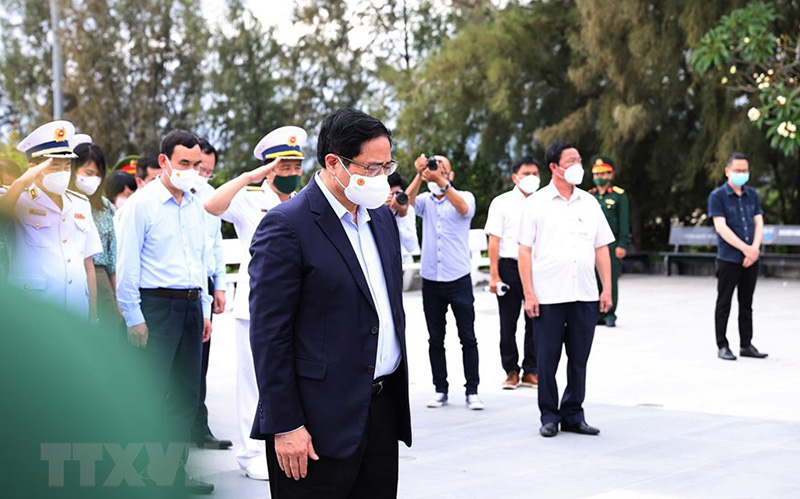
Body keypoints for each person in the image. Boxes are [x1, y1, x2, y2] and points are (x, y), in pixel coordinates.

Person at [249, 108, 411, 498]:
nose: (382, 178)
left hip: (380, 410)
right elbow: (270, 335)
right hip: (316, 422)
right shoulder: (287, 225)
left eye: (387, 166)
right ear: (334, 163)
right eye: (371, 168)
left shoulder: (381, 219)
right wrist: (285, 424)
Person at [204, 125, 307, 481]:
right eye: (283, 167)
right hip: (256, 308)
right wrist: (251, 176)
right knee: (253, 382)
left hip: (298, 306)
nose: (292, 173)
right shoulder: (249, 198)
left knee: (294, 379)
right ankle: (250, 453)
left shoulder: (303, 200)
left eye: (296, 167)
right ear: (269, 168)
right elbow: (212, 205)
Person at [114, 129, 214, 494]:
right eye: (183, 162)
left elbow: (199, 259)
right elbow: (127, 265)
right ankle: (137, 474)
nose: (191, 170)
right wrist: (134, 317)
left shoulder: (196, 204)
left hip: (190, 306)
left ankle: (171, 473)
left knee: (186, 395)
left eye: (196, 164)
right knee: (149, 394)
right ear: (163, 161)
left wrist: (204, 307)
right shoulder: (141, 205)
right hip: (155, 307)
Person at [518, 141, 614, 438]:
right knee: (547, 360)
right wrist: (529, 294)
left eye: (579, 160)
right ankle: (549, 415)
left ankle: (573, 413)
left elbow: (601, 247)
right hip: (548, 295)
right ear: (554, 167)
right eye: (571, 160)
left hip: (584, 293)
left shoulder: (590, 202)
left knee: (579, 358)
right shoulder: (536, 203)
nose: (577, 166)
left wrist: (606, 289)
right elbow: (524, 251)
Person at [1, 120, 102, 320]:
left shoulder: (80, 203)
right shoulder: (16, 198)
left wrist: (93, 318)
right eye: (54, 166)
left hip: (76, 311)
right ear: (33, 168)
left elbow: (88, 265)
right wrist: (21, 182)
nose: (62, 172)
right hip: (32, 314)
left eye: (67, 166)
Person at [406, 153, 482, 410]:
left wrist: (441, 181)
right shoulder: (425, 201)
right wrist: (419, 175)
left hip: (458, 277)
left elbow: (464, 209)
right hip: (431, 279)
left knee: (467, 337)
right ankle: (440, 389)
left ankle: (472, 391)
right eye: (432, 167)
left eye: (441, 168)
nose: (436, 171)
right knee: (435, 338)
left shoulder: (464, 196)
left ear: (451, 174)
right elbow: (406, 204)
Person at [484, 157, 541, 390]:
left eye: (535, 173)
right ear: (515, 177)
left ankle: (531, 370)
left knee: (536, 320)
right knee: (508, 322)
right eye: (526, 173)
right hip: (509, 266)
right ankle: (511, 370)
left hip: (537, 267)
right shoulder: (502, 202)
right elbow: (494, 240)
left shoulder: (545, 201)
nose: (531, 178)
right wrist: (494, 275)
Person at [189, 138, 232, 451]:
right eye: (200, 168)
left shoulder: (210, 196)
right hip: (177, 286)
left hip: (203, 282)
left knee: (200, 362)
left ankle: (198, 427)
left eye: (209, 171)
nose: (204, 175)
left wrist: (219, 284)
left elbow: (215, 243)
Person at [708, 152, 768, 361]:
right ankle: (722, 345)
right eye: (737, 170)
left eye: (745, 170)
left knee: (746, 303)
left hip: (751, 258)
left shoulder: (752, 195)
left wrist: (754, 248)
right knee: (724, 302)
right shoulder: (717, 196)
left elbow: (758, 221)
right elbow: (721, 227)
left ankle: (746, 344)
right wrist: (746, 249)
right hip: (729, 258)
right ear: (727, 171)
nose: (742, 174)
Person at [69, 140, 123, 331]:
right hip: (68, 274)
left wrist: (119, 300)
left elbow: (113, 257)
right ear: (73, 170)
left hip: (100, 279)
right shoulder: (60, 203)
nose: (94, 179)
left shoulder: (106, 208)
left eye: (98, 175)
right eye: (89, 173)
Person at [588, 155, 630, 328]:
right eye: (597, 174)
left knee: (609, 278)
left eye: (604, 173)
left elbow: (624, 222)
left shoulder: (619, 196)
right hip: (591, 244)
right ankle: (597, 312)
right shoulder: (589, 196)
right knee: (593, 278)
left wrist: (622, 244)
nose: (600, 177)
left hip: (611, 244)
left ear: (611, 175)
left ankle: (610, 313)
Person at [386, 172, 420, 259]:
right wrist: (383, 209)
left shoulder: (408, 210)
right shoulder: (375, 209)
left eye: (397, 193)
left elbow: (411, 246)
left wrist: (403, 214)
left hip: (405, 259)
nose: (393, 197)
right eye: (390, 194)